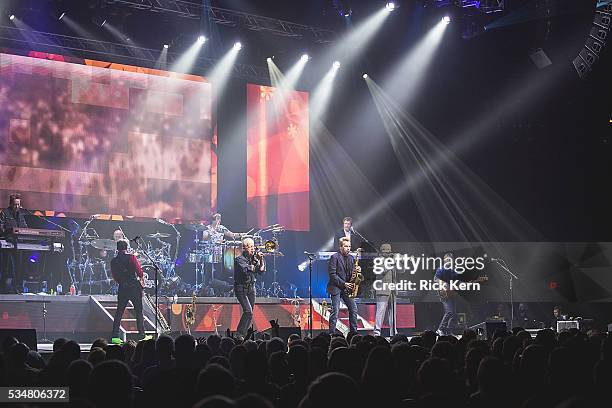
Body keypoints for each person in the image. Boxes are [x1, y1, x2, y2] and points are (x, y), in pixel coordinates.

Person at [110, 240, 147, 344]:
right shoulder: (132, 257)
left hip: (123, 287)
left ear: (117, 249)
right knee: (139, 311)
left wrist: (122, 282)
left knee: (119, 312)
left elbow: (115, 276)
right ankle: (141, 335)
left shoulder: (114, 261)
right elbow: (139, 272)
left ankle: (114, 336)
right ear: (126, 248)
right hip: (134, 287)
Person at [234, 237, 265, 339]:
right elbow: (248, 269)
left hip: (251, 288)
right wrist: (255, 261)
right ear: (244, 248)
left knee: (250, 314)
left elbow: (261, 271)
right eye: (250, 246)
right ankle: (239, 334)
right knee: (248, 311)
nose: (252, 248)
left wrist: (261, 260)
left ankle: (243, 335)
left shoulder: (254, 259)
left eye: (253, 246)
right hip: (241, 288)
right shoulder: (239, 260)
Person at [202, 213, 241, 294]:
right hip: (209, 255)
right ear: (213, 220)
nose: (219, 221)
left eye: (220, 219)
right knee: (208, 273)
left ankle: (218, 291)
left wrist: (241, 234)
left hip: (218, 255)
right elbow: (204, 238)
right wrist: (211, 232)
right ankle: (206, 291)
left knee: (218, 274)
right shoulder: (207, 228)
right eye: (218, 219)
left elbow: (232, 235)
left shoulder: (222, 228)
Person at [327, 237, 359, 334]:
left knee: (353, 309)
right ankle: (332, 334)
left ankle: (354, 334)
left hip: (347, 289)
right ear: (340, 247)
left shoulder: (351, 258)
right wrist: (344, 284)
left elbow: (351, 274)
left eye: (349, 246)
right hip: (336, 287)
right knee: (335, 311)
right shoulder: (334, 257)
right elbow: (332, 275)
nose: (348, 248)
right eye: (346, 246)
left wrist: (357, 271)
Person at [0, 193, 28, 293]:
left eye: (18, 204)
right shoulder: (5, 213)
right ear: (11, 204)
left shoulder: (20, 215)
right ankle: (4, 288)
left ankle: (17, 287)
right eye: (15, 204)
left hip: (18, 244)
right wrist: (9, 231)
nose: (17, 206)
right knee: (6, 268)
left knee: (18, 268)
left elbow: (25, 228)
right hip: (7, 244)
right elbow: (1, 228)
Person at [434, 252, 460, 336]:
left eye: (450, 260)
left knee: (453, 313)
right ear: (444, 260)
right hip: (444, 293)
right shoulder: (441, 269)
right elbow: (436, 279)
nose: (448, 261)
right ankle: (440, 329)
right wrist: (444, 284)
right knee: (449, 312)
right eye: (447, 260)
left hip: (452, 293)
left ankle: (448, 331)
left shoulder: (454, 270)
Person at [373, 243, 396, 336]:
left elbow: (401, 271)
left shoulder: (391, 261)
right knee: (380, 311)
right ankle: (377, 331)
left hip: (392, 290)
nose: (389, 253)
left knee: (392, 313)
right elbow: (381, 271)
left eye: (389, 251)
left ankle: (393, 332)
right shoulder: (378, 260)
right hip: (382, 290)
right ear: (382, 252)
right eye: (387, 251)